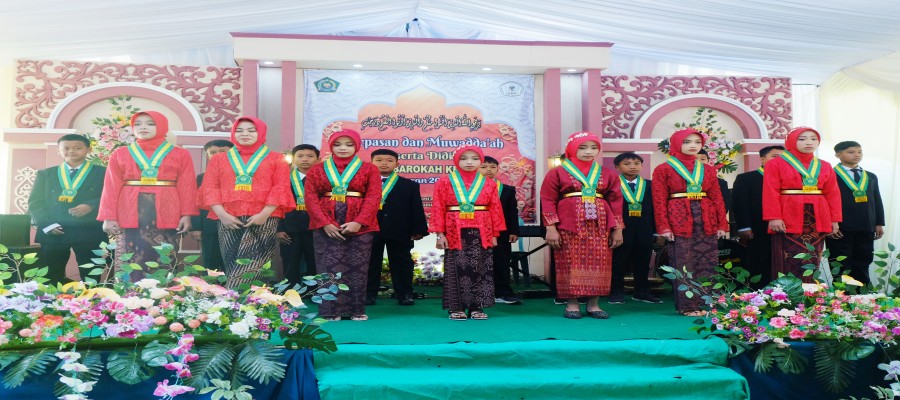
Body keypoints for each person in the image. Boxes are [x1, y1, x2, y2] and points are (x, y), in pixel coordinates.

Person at [98, 111, 198, 279]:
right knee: (130, 255)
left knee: (164, 255)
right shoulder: (120, 153)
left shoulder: (180, 154)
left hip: (168, 208)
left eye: (150, 123)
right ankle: (128, 293)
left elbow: (187, 186)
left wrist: (186, 215)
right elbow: (111, 186)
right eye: (137, 124)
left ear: (162, 127)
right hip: (129, 209)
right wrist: (109, 216)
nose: (143, 127)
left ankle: (162, 293)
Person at [198, 117, 294, 289]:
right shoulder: (219, 159)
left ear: (261, 132)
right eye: (239, 130)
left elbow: (280, 187)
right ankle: (247, 301)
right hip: (227, 217)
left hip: (265, 217)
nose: (245, 134)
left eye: (251, 130)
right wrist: (222, 215)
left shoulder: (276, 158)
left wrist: (264, 214)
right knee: (232, 259)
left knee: (257, 263)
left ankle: (240, 299)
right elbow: (210, 187)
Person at [541, 132, 624, 320]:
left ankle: (594, 305)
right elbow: (547, 200)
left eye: (594, 148)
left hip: (600, 225)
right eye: (583, 147)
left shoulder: (607, 173)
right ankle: (572, 304)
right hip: (568, 224)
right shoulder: (557, 172)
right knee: (570, 262)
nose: (589, 152)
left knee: (600, 262)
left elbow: (616, 201)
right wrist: (551, 228)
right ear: (571, 148)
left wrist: (618, 229)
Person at [305, 130, 381, 321]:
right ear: (330, 146)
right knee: (328, 267)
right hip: (326, 224)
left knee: (358, 267)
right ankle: (330, 311)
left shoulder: (369, 169)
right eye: (338, 144)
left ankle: (356, 310)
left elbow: (373, 197)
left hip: (360, 226)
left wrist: (359, 222)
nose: (343, 148)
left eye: (349, 144)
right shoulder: (317, 169)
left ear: (357, 146)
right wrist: (324, 223)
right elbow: (311, 198)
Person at [652, 128, 728, 316]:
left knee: (708, 262)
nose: (693, 145)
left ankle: (706, 304)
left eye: (697, 142)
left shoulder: (708, 169)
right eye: (687, 142)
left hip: (706, 218)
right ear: (676, 144)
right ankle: (688, 306)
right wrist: (663, 226)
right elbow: (659, 200)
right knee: (684, 263)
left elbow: (717, 198)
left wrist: (722, 224)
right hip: (678, 218)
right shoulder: (663, 169)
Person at [431, 145, 504, 320]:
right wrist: (440, 234)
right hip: (454, 230)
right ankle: (455, 308)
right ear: (456, 160)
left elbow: (495, 209)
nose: (469, 162)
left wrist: (495, 234)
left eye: (474, 158)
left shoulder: (489, 183)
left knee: (481, 267)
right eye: (464, 158)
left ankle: (476, 307)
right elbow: (438, 208)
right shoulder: (444, 181)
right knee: (455, 267)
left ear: (480, 161)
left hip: (482, 230)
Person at [763, 127, 841, 283]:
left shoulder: (825, 165)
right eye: (802, 139)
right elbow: (770, 191)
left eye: (813, 139)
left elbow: (833, 193)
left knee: (813, 258)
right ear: (791, 141)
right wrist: (774, 217)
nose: (809, 142)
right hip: (787, 215)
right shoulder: (776, 163)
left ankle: (811, 292)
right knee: (788, 257)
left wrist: (834, 220)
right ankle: (787, 292)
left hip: (818, 216)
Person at [29, 134, 107, 283]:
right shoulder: (45, 174)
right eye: (66, 148)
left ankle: (93, 298)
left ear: (89, 149)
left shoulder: (103, 172)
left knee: (91, 275)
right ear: (58, 150)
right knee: (49, 275)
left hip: (88, 230)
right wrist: (47, 224)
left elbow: (111, 196)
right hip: (54, 229)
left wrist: (91, 205)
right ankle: (50, 298)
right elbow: (35, 202)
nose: (71, 151)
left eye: (77, 148)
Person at [365, 149, 429, 306]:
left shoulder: (409, 185)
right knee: (370, 262)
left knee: (402, 263)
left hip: (400, 229)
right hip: (369, 229)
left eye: (389, 160)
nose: (384, 163)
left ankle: (405, 294)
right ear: (371, 163)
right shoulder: (363, 183)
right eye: (379, 160)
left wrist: (418, 229)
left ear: (397, 164)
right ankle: (368, 294)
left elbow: (416, 208)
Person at [825, 141, 885, 285]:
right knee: (840, 262)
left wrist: (879, 223)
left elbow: (877, 200)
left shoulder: (870, 176)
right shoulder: (829, 175)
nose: (857, 155)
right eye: (851, 152)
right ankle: (842, 295)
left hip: (866, 225)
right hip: (840, 227)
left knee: (863, 260)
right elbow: (824, 202)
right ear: (838, 155)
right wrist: (828, 224)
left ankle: (863, 294)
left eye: (859, 152)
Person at [610, 152, 661, 304]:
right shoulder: (613, 185)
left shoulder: (650, 185)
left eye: (636, 163)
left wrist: (656, 231)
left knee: (643, 260)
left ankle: (642, 291)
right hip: (621, 229)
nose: (633, 166)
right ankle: (616, 291)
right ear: (617, 167)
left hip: (645, 229)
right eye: (627, 164)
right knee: (619, 260)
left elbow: (656, 208)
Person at [732, 145, 784, 289]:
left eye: (784, 157)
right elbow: (740, 204)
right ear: (762, 159)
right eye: (775, 156)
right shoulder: (747, 178)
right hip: (758, 228)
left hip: (785, 228)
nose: (780, 160)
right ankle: (758, 293)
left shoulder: (789, 178)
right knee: (759, 261)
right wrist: (744, 226)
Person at [479, 156, 523, 305]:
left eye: (492, 167)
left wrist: (514, 231)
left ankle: (503, 293)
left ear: (498, 169)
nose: (488, 170)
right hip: (477, 230)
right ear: (477, 169)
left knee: (501, 262)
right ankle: (478, 293)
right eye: (484, 167)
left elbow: (512, 212)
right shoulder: (469, 189)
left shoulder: (507, 190)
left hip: (501, 232)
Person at [276, 144, 320, 288]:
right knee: (290, 261)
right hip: (289, 229)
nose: (305, 159)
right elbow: (277, 204)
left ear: (318, 159)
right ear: (293, 159)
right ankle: (290, 290)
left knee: (314, 262)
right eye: (300, 156)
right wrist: (279, 229)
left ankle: (313, 291)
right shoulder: (284, 179)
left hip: (316, 228)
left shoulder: (323, 180)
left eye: (310, 156)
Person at [190, 139, 233, 272]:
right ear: (208, 156)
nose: (218, 155)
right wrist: (196, 227)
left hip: (235, 226)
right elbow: (195, 203)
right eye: (213, 152)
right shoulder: (201, 177)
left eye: (223, 151)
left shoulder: (242, 176)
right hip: (209, 226)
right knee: (210, 263)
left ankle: (232, 285)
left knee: (232, 262)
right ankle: (211, 285)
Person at [697, 149, 732, 214]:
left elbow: (724, 206)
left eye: (703, 159)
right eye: (694, 159)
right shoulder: (680, 182)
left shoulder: (720, 183)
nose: (699, 162)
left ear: (708, 161)